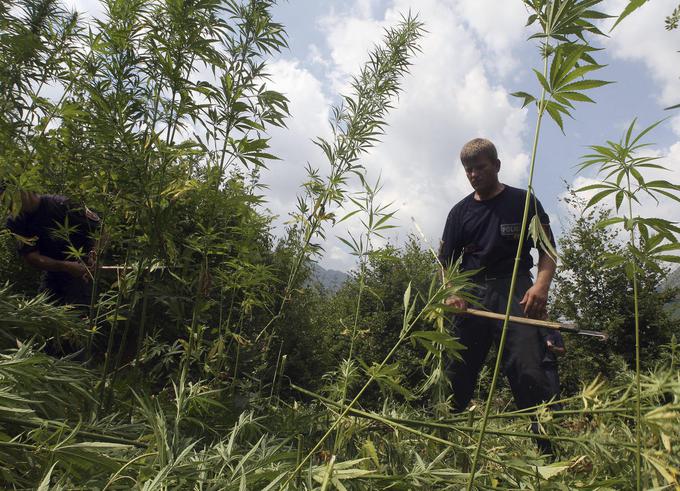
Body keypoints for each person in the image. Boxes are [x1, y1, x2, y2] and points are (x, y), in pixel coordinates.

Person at [438, 138, 557, 453]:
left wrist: (541, 285)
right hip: (471, 294)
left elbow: (547, 252)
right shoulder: (459, 213)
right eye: (468, 170)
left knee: (529, 369)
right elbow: (445, 264)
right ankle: (442, 444)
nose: (474, 174)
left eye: (480, 167)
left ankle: (547, 450)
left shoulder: (524, 202)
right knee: (456, 370)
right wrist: (451, 292)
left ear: (497, 166)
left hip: (515, 288)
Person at [2, 186, 101, 307]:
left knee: (79, 315)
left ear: (23, 191)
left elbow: (101, 231)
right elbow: (32, 257)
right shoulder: (15, 221)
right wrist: (64, 266)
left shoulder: (62, 204)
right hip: (53, 272)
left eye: (9, 199)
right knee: (44, 315)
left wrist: (94, 254)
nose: (9, 206)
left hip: (83, 273)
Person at [542, 329, 566, 407]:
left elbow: (562, 352)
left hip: (549, 368)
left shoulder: (554, 333)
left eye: (541, 315)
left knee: (554, 397)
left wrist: (553, 348)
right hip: (533, 367)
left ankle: (558, 416)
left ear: (546, 316)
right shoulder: (530, 331)